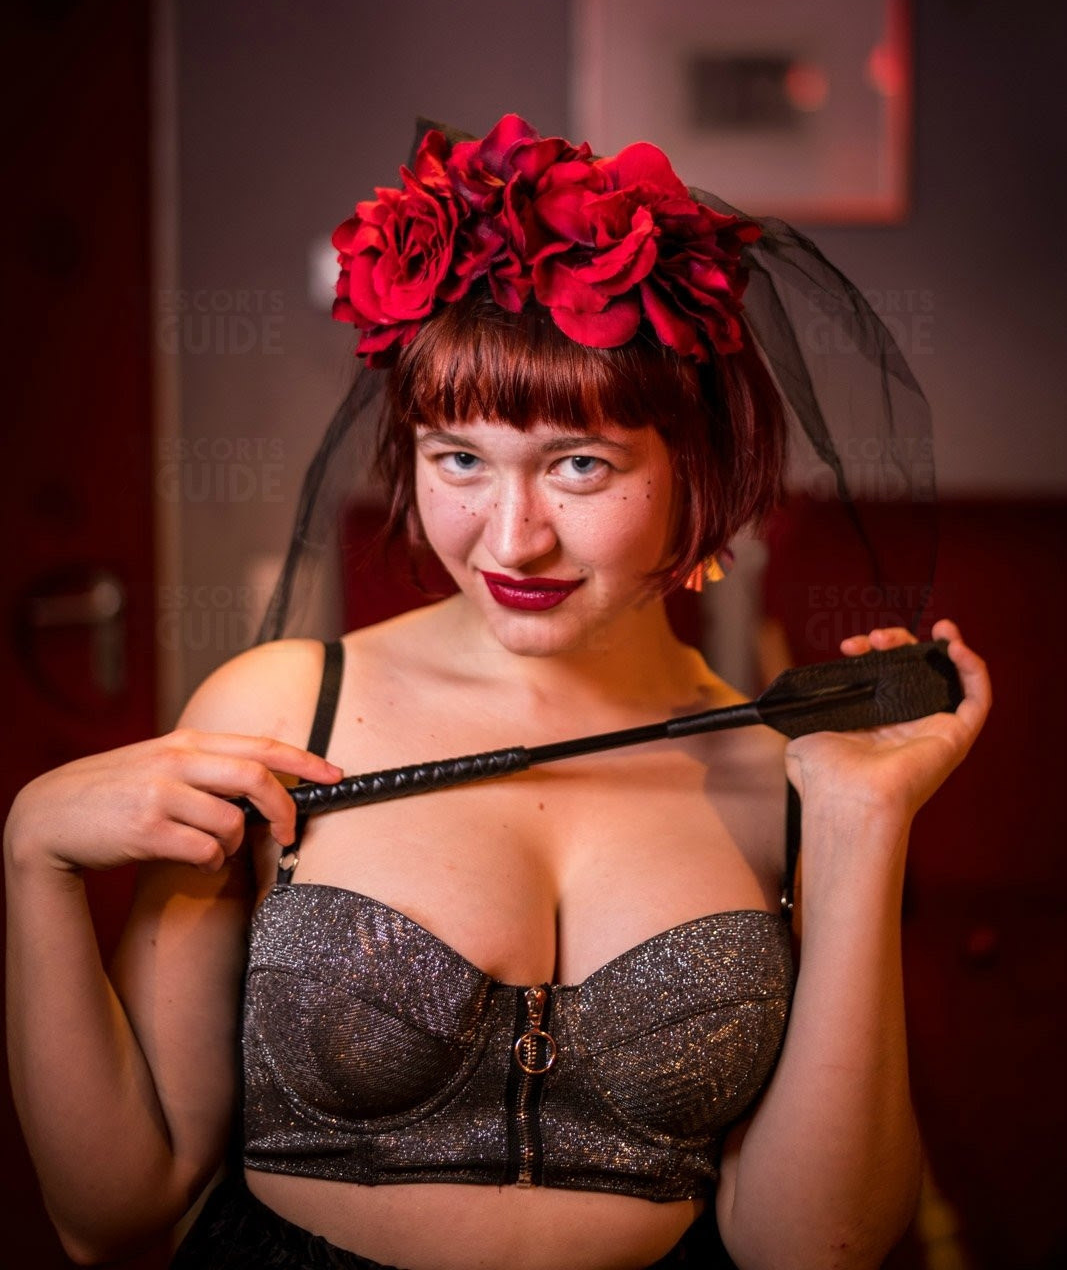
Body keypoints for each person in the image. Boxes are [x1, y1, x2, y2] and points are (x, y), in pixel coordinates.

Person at [4, 114, 990, 1270]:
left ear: (699, 467)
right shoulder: (278, 711)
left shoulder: (782, 775)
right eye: (458, 458)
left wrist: (859, 825)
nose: (512, 539)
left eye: (580, 463)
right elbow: (112, 1214)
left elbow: (814, 1251)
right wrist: (33, 856)